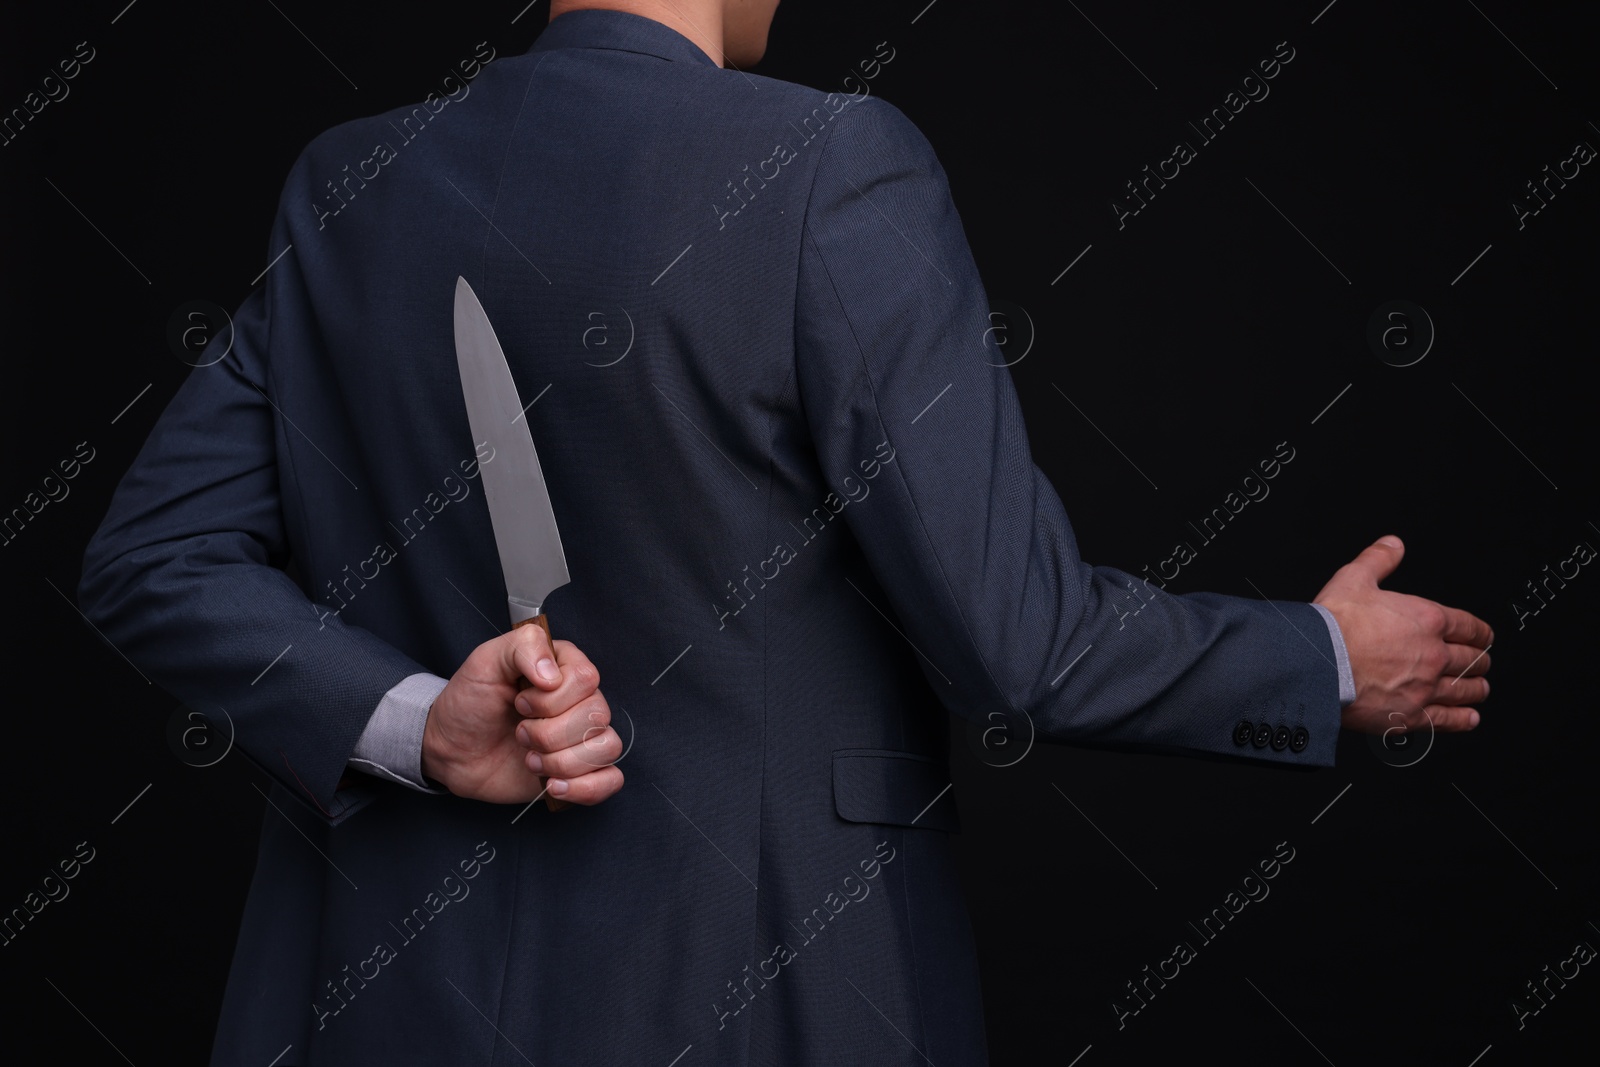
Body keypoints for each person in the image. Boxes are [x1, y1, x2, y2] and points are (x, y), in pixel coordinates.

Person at [77, 1, 1492, 1063]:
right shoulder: (832, 164)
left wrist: (407, 724)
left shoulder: (348, 183)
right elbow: (1025, 646)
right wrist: (1316, 662)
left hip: (378, 1001)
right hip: (771, 995)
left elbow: (153, 561)